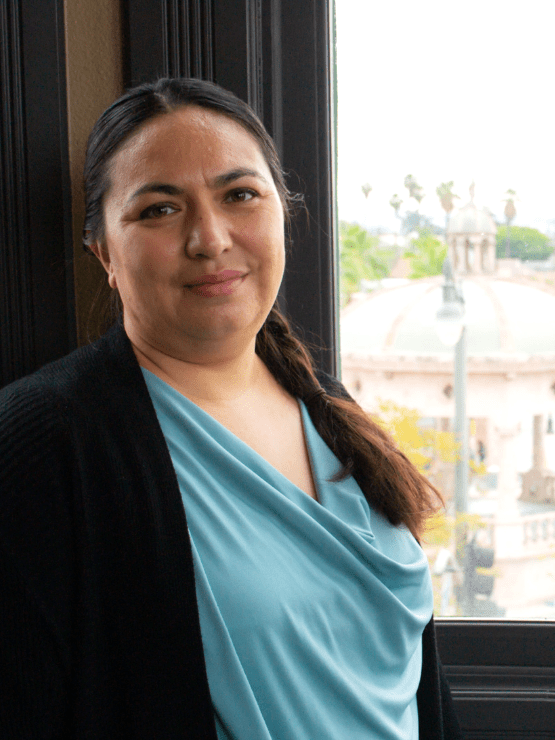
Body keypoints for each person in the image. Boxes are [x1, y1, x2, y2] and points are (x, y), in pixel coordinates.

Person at [0, 78, 462, 740]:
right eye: (159, 209)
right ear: (104, 251)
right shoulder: (38, 445)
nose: (209, 238)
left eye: (239, 195)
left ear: (282, 212)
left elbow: (417, 684)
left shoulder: (328, 406)